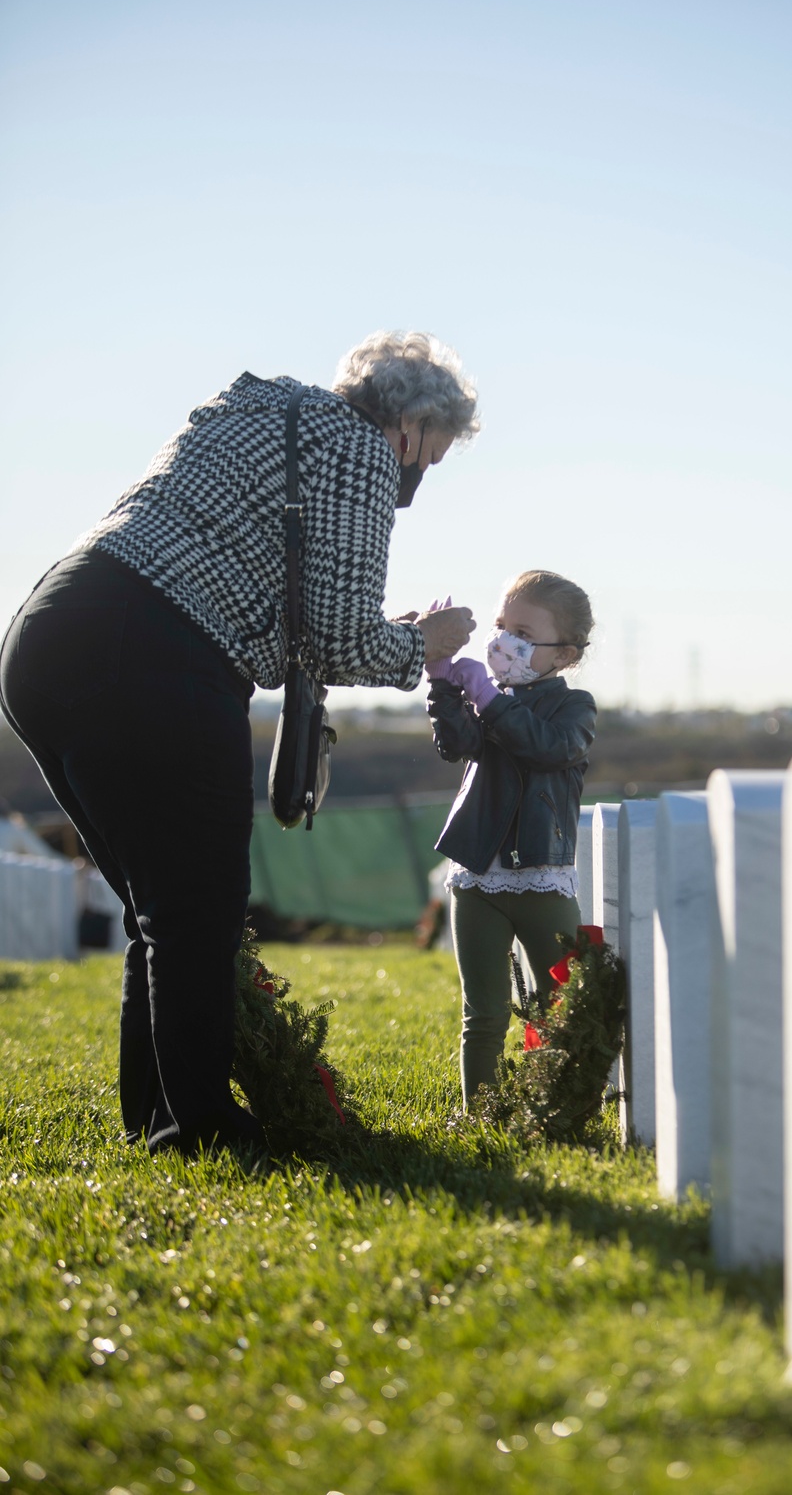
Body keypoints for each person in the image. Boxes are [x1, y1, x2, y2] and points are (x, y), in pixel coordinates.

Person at [0, 331, 478, 1156]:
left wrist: (374, 630)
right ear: (409, 431)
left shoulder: (257, 405)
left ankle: (158, 1120)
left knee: (159, 909)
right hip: (155, 655)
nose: (422, 474)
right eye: (433, 456)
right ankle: (204, 1131)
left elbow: (269, 583)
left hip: (49, 633)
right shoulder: (363, 451)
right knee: (198, 911)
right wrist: (426, 644)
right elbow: (339, 639)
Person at [425, 570, 597, 1107]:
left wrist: (489, 700)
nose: (503, 638)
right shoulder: (490, 699)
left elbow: (547, 748)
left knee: (558, 1005)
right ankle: (480, 1114)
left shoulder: (574, 708)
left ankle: (554, 1111)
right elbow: (456, 745)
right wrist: (444, 686)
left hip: (539, 876)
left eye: (522, 631)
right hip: (476, 875)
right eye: (501, 625)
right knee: (484, 1012)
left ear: (563, 655)